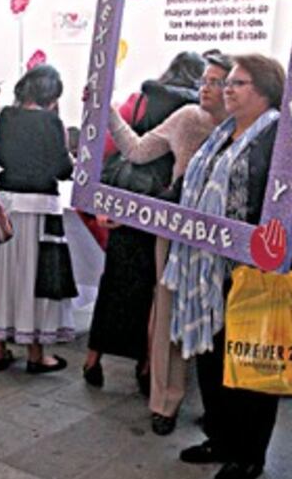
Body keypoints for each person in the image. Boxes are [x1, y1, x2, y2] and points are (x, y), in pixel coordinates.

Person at [168, 54, 292, 479]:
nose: (227, 89)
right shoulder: (218, 135)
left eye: (238, 83)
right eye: (226, 83)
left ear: (267, 90)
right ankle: (219, 438)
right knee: (213, 359)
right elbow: (189, 189)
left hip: (258, 274)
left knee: (253, 365)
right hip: (209, 271)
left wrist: (257, 240)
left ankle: (248, 453)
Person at [106, 50, 231, 434]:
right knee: (167, 315)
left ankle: (218, 407)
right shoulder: (188, 117)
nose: (206, 88)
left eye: (217, 82)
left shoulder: (248, 130)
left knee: (220, 319)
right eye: (205, 81)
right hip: (176, 227)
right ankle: (164, 402)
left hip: (223, 237)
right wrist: (107, 112)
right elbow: (139, 150)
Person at [83, 51, 205, 391]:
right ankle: (146, 365)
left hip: (126, 203)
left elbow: (118, 149)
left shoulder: (140, 101)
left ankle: (93, 357)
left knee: (114, 285)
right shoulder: (200, 114)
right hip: (165, 208)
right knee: (155, 295)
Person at [0, 64, 75, 373]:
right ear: (52, 95)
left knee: (2, 275)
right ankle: (36, 354)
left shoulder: (3, 115)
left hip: (5, 205)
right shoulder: (52, 123)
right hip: (41, 208)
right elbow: (63, 170)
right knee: (36, 278)